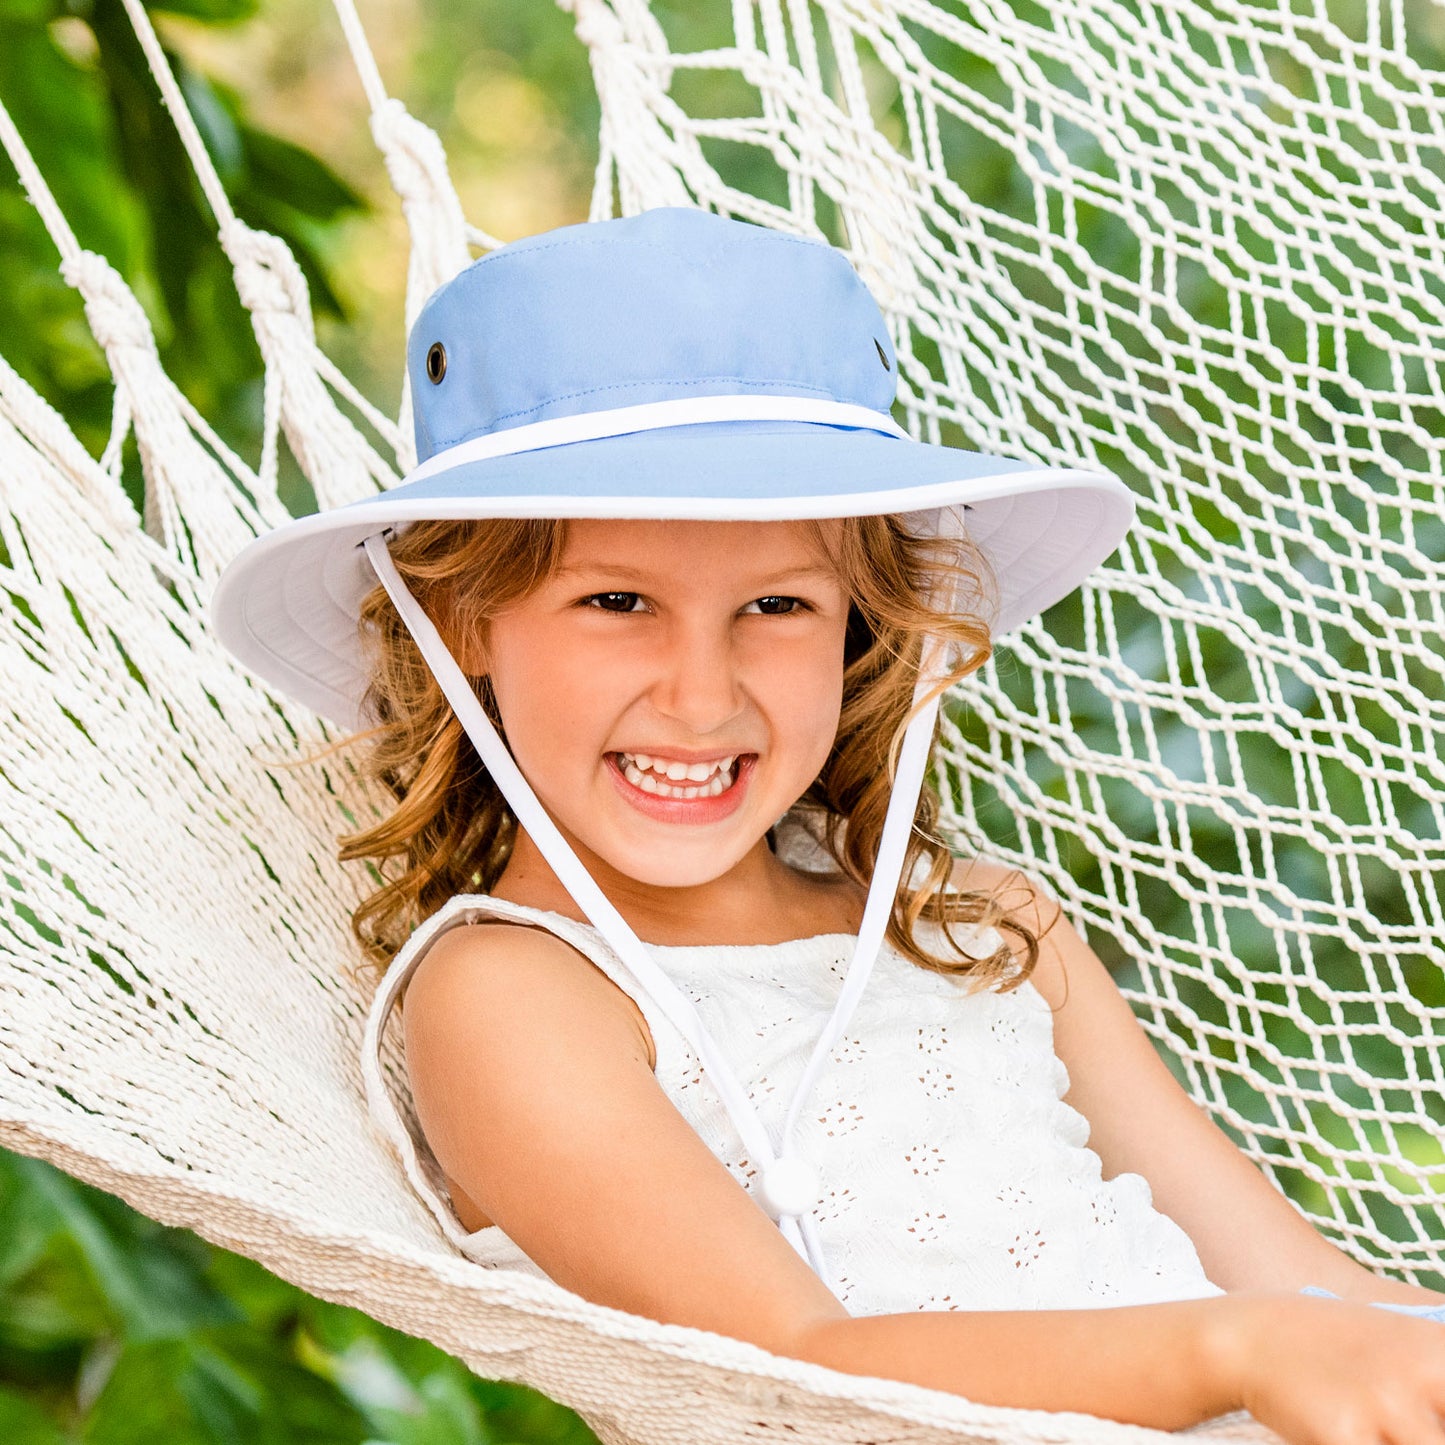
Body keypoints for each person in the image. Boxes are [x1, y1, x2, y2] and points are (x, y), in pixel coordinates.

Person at [212, 206, 1445, 1441]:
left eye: (776, 605)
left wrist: (1337, 1339)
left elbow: (1315, 1289)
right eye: (618, 599)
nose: (701, 695)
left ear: (857, 621)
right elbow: (800, 1370)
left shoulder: (976, 923)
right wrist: (1238, 1347)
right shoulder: (513, 990)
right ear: (464, 621)